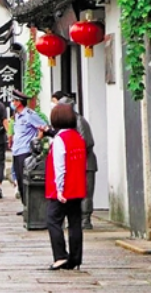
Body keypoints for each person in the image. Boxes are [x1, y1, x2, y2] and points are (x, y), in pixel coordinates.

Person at [45, 103, 87, 270]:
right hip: (77, 187)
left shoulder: (59, 140)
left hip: (63, 190)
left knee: (53, 220)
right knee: (75, 222)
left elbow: (60, 167)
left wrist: (60, 189)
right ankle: (76, 257)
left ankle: (61, 256)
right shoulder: (78, 138)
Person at [52, 92, 98, 230]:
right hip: (74, 161)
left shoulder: (79, 121)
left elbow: (87, 142)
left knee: (86, 192)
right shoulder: (67, 124)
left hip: (86, 163)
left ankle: (85, 218)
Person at [9, 90, 47, 216]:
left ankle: (30, 207)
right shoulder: (17, 116)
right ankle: (25, 206)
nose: (12, 103)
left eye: (14, 101)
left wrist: (36, 140)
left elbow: (43, 127)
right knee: (20, 180)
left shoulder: (30, 115)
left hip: (25, 151)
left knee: (26, 179)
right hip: (16, 151)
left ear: (19, 102)